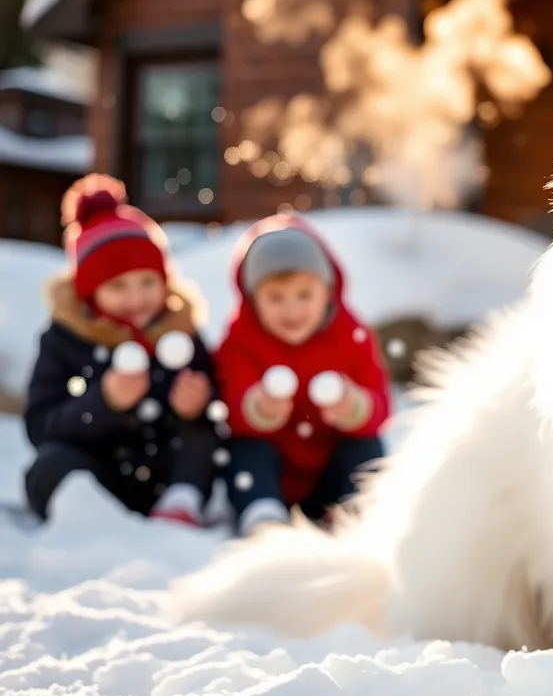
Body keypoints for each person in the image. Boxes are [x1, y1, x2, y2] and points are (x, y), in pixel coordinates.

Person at [23, 174, 222, 527]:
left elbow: (219, 397)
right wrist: (104, 403)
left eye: (148, 282)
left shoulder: (180, 331)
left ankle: (181, 503)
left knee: (200, 436)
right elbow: (40, 425)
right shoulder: (66, 338)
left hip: (166, 470)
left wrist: (199, 401)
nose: (136, 298)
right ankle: (86, 515)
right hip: (100, 471)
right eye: (117, 286)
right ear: (89, 291)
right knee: (49, 463)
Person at [213, 213, 392, 536]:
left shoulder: (351, 335)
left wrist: (354, 406)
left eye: (304, 294)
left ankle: (355, 509)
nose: (292, 310)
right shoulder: (240, 340)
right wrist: (257, 408)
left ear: (327, 291)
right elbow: (231, 403)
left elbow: (380, 404)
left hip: (329, 472)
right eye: (276, 298)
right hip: (272, 476)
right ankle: (262, 514)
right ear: (253, 300)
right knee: (245, 449)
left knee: (365, 444)